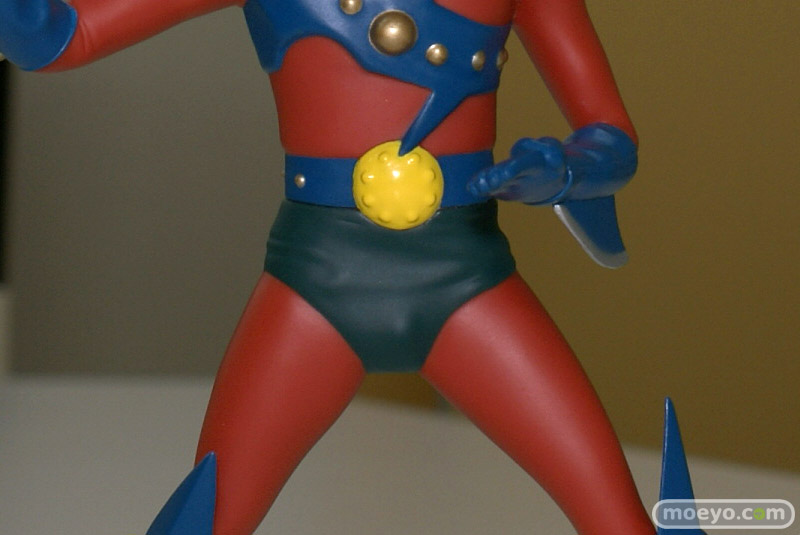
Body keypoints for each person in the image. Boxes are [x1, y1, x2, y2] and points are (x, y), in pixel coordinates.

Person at [1, 1, 655, 533]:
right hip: (315, 284)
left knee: (618, 520)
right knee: (209, 516)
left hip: (469, 281)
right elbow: (63, 36)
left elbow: (611, 136)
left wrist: (565, 171)